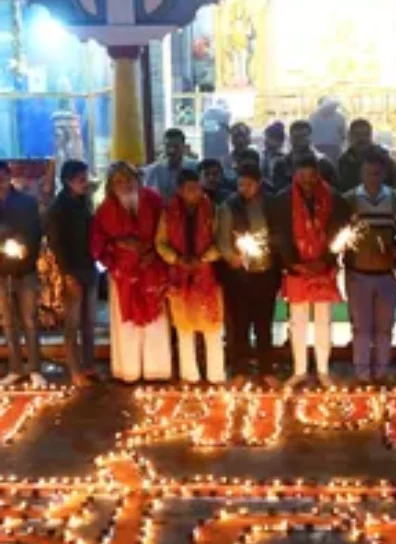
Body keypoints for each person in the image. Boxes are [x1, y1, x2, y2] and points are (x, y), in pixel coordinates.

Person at [91, 162, 171, 383]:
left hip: (152, 270)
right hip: (123, 274)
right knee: (126, 325)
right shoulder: (104, 210)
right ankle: (129, 371)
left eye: (128, 179)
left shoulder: (153, 201)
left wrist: (153, 252)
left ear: (137, 179)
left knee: (155, 321)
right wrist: (119, 245)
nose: (124, 185)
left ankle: (157, 371)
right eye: (118, 182)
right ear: (111, 186)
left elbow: (167, 232)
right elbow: (97, 243)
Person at [276, 154, 348, 388]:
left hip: (323, 267)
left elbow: (340, 232)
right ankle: (299, 370)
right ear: (295, 175)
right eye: (303, 176)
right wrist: (293, 262)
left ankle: (323, 370)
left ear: (318, 174)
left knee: (323, 320)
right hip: (297, 268)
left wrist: (326, 259)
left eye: (312, 176)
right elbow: (279, 235)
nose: (308, 181)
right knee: (297, 321)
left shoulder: (334, 199)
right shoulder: (283, 200)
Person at [344, 147, 396, 383]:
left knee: (384, 327)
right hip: (358, 273)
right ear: (362, 173)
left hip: (387, 273)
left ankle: (381, 370)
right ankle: (361, 373)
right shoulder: (350, 199)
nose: (374, 177)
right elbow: (341, 235)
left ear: (384, 174)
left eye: (378, 173)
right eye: (369, 172)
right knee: (361, 327)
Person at [156, 170, 224, 384]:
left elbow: (220, 240)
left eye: (197, 188)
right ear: (180, 190)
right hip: (179, 274)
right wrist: (177, 259)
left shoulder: (212, 209)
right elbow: (161, 243)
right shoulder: (168, 212)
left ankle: (215, 375)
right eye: (189, 189)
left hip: (206, 274)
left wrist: (204, 258)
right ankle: (190, 374)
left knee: (212, 327)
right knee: (184, 328)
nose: (195, 192)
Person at [217, 161, 281, 388]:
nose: (243, 189)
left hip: (265, 273)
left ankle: (266, 369)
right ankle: (240, 369)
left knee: (264, 324)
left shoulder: (270, 204)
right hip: (239, 276)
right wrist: (232, 257)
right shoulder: (229, 206)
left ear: (259, 184)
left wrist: (269, 248)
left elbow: (277, 234)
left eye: (248, 184)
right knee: (240, 324)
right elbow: (223, 240)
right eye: (240, 184)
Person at [47, 160, 97, 388]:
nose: (86, 184)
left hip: (89, 268)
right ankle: (75, 370)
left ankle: (89, 366)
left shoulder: (84, 202)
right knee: (73, 323)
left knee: (89, 322)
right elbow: (57, 244)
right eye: (81, 180)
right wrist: (67, 275)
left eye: (86, 179)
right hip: (72, 271)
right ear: (68, 181)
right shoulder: (59, 208)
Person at [0, 161, 44, 388]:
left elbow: (36, 232)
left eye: (2, 178)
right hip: (1, 272)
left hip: (24, 269)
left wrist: (27, 249)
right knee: (8, 322)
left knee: (29, 320)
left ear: (8, 176)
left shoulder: (26, 202)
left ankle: (35, 367)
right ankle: (15, 368)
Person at [272, 121, 337, 192]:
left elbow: (334, 190)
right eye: (296, 137)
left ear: (311, 138)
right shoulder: (281, 164)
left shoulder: (324, 163)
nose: (299, 140)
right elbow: (277, 192)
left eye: (303, 136)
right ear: (290, 139)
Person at [338, 120, 396, 193]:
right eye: (357, 135)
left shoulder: (383, 159)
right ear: (350, 136)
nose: (361, 139)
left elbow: (395, 188)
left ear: (370, 136)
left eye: (365, 135)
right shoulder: (343, 161)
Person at [144, 128, 197, 201]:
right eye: (168, 146)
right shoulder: (153, 170)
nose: (171, 150)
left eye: (176, 147)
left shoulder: (194, 168)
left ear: (184, 147)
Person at [309, 97, 347, 164]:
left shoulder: (340, 117)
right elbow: (309, 133)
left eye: (335, 106)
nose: (334, 108)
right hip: (317, 147)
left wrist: (342, 146)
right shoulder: (313, 117)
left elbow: (343, 134)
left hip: (334, 147)